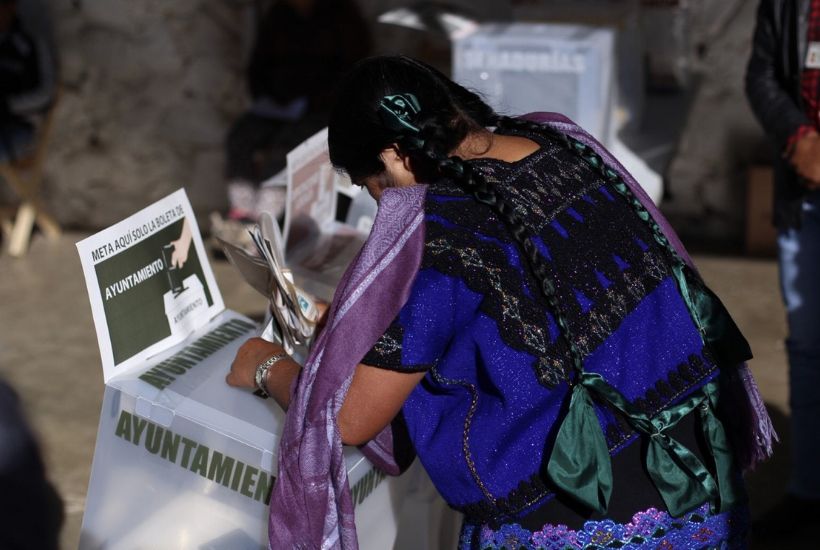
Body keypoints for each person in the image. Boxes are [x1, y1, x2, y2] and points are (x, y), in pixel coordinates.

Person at [228, 55, 775, 549]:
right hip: (704, 495)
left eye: (376, 190)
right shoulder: (563, 145)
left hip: (577, 520)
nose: (383, 211)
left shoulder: (436, 232)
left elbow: (347, 420)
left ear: (395, 159)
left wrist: (267, 365)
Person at [745, 0, 820, 540]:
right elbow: (762, 74)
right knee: (808, 348)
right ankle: (808, 492)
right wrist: (800, 138)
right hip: (806, 190)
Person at [221, 0, 371, 224]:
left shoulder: (342, 17)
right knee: (241, 136)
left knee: (286, 147)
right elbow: (258, 66)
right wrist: (270, 96)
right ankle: (242, 210)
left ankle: (265, 217)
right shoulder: (278, 16)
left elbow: (352, 71)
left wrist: (313, 101)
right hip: (276, 106)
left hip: (323, 109)